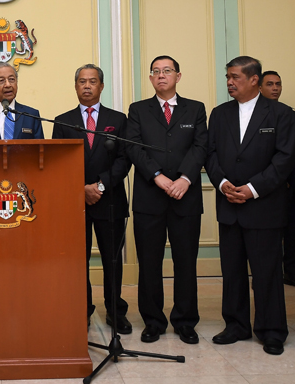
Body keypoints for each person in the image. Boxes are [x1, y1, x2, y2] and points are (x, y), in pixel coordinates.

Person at [206, 56, 295, 356]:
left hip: (264, 206)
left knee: (267, 272)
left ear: (254, 79)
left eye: (235, 77)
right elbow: (211, 154)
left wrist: (253, 189)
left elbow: (284, 159)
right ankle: (236, 325)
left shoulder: (281, 114)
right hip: (229, 204)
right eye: (227, 77)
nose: (229, 82)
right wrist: (222, 183)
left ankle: (271, 331)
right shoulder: (219, 114)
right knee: (231, 271)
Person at [125, 55, 207, 345]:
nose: (161, 76)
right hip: (150, 196)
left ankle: (185, 321)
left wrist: (185, 178)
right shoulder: (138, 110)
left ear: (178, 76)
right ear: (150, 79)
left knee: (186, 262)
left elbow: (200, 147)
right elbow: (134, 148)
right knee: (149, 262)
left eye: (167, 71)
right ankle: (153, 321)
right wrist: (157, 176)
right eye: (156, 72)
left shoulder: (195, 109)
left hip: (185, 196)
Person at [52, 64, 131, 334]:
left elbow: (124, 160)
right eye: (82, 82)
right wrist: (81, 189)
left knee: (112, 260)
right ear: (75, 86)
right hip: (75, 203)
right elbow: (57, 164)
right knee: (78, 260)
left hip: (110, 201)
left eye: (92, 81)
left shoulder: (118, 119)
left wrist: (99, 186)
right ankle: (81, 310)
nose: (87, 86)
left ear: (102, 86)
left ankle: (115, 311)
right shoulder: (62, 121)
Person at [257, 71, 295, 286]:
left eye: (278, 84)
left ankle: (289, 271)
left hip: (288, 184)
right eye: (270, 84)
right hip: (261, 184)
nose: (275, 88)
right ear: (259, 87)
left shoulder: (289, 114)